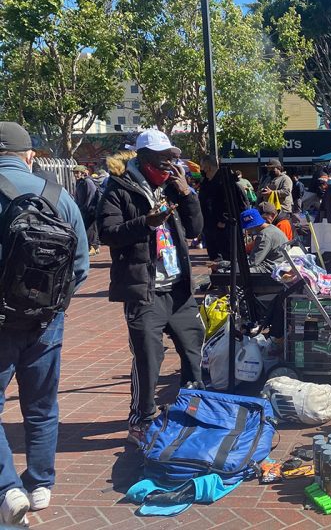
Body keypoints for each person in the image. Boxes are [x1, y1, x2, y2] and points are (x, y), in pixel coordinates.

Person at [0, 122, 89, 526]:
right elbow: (81, 266)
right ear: (30, 155)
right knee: (41, 406)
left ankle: (7, 489)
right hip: (46, 322)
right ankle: (40, 484)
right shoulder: (58, 196)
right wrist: (52, 305)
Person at [98, 129, 205, 446]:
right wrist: (146, 223)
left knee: (193, 352)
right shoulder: (119, 188)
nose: (168, 165)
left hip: (178, 288)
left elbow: (195, 229)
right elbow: (107, 233)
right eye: (162, 159)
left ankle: (191, 412)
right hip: (145, 289)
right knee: (148, 357)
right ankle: (142, 420)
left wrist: (187, 194)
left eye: (171, 158)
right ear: (143, 158)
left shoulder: (172, 186)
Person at [199, 156, 247, 261]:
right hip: (210, 227)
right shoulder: (207, 182)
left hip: (223, 229)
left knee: (227, 258)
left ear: (208, 167)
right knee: (215, 258)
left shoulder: (225, 182)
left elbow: (235, 203)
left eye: (202, 166)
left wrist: (224, 221)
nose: (201, 169)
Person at [237, 207, 288, 274]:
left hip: (271, 269)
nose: (247, 231)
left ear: (252, 226)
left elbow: (253, 262)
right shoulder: (273, 228)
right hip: (280, 265)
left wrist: (229, 265)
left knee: (236, 272)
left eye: (247, 228)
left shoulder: (264, 235)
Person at [73, 164, 100, 256]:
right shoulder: (80, 182)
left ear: (83, 173)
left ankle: (92, 247)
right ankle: (95, 247)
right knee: (89, 228)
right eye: (74, 172)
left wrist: (86, 208)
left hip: (90, 209)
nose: (75, 174)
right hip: (84, 209)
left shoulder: (88, 182)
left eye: (77, 172)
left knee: (90, 229)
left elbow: (91, 195)